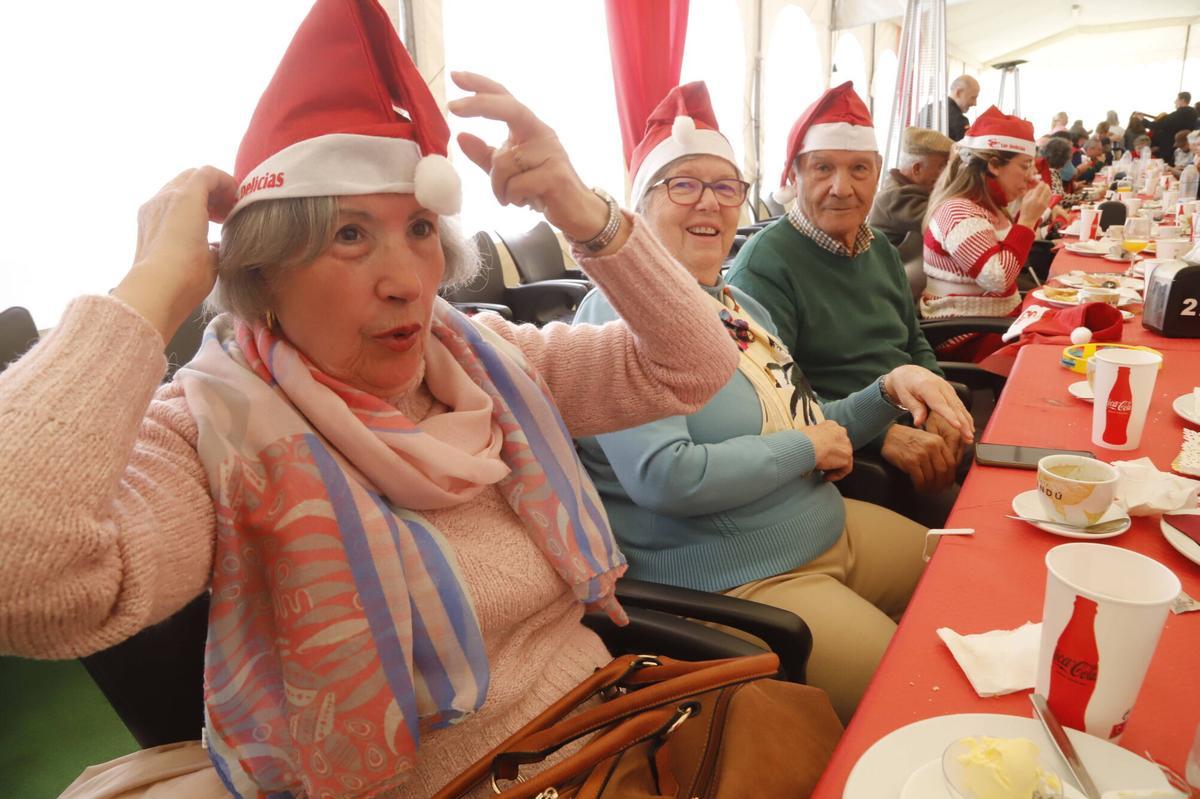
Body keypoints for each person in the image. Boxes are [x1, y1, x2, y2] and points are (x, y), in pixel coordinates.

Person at [0, 2, 747, 797]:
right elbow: (22, 574)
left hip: (609, 730)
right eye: (350, 235)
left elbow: (695, 363)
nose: (406, 282)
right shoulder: (211, 434)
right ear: (263, 273)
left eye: (419, 229)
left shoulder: (487, 362)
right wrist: (149, 288)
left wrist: (579, 206)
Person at [573, 82, 974, 722]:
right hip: (744, 575)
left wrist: (888, 389)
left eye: (725, 186)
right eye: (683, 185)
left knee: (973, 582)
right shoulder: (618, 316)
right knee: (924, 701)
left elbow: (810, 424)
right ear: (638, 206)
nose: (709, 202)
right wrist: (804, 448)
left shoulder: (739, 306)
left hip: (828, 529)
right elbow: (665, 476)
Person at [726, 83, 965, 511]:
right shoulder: (765, 266)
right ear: (794, 175)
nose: (842, 187)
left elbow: (913, 342)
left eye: (859, 169)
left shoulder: (880, 249)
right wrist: (880, 435)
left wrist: (940, 402)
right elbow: (773, 398)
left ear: (878, 174)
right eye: (823, 168)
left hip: (914, 421)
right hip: (849, 461)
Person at [920, 107, 1052, 362]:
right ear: (993, 165)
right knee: (1052, 354)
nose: (1029, 177)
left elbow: (1010, 255)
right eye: (1024, 166)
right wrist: (1027, 220)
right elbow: (998, 278)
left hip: (993, 322)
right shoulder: (958, 212)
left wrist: (1030, 215)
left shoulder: (988, 207)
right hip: (966, 335)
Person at [868, 127, 953, 298]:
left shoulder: (905, 192)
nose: (947, 174)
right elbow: (948, 222)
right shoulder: (898, 198)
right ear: (916, 169)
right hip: (895, 294)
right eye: (942, 166)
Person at [1145, 91, 1198, 165]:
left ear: (1182, 100)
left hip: (1170, 148)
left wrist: (1143, 121)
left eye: (1177, 100)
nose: (1175, 102)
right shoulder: (1193, 114)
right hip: (1184, 145)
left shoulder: (1178, 115)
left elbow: (1158, 125)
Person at [922, 74, 979, 141]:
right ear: (958, 93)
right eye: (973, 98)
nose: (975, 103)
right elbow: (964, 147)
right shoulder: (959, 121)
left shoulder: (927, 110)